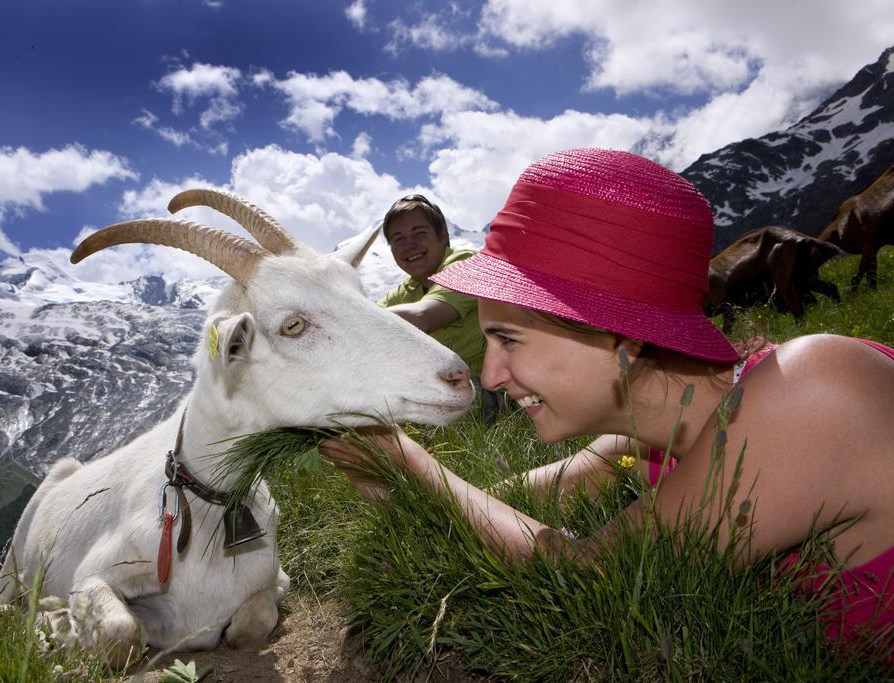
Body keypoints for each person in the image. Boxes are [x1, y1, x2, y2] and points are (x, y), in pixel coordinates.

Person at [324, 148, 894, 650]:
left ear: (620, 335)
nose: (490, 376)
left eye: (509, 340)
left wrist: (411, 461)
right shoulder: (644, 440)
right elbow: (494, 504)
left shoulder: (814, 390)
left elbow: (593, 576)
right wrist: (387, 476)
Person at [377, 194, 501, 418]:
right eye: (398, 239)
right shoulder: (408, 289)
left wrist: (351, 318)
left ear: (443, 235)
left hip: (495, 391)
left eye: (419, 234)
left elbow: (424, 315)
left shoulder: (466, 264)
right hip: (451, 389)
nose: (409, 245)